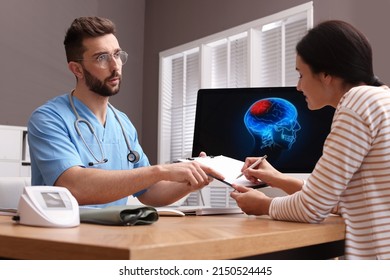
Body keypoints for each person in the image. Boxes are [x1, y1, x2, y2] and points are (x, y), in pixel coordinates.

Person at [230, 20, 390, 260]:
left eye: (301, 74)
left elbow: (312, 208)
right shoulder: (380, 99)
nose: (298, 86)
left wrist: (263, 206)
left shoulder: (357, 102)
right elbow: (333, 201)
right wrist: (278, 179)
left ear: (326, 74)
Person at [27, 16, 223, 208]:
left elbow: (149, 191)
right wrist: (161, 170)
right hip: (63, 235)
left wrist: (192, 180)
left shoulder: (122, 123)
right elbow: (74, 186)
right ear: (77, 69)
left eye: (117, 54)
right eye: (102, 57)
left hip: (115, 235)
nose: (115, 66)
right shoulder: (48, 119)